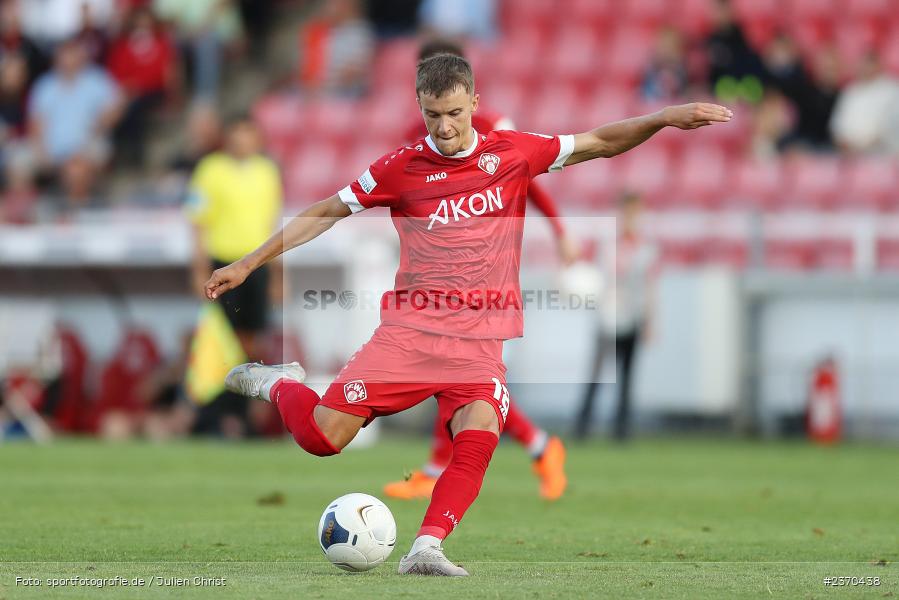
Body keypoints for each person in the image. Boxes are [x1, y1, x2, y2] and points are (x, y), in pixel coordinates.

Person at [207, 53, 731, 576]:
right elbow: (326, 210)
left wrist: (662, 118)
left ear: (475, 103)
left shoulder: (513, 153)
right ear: (421, 107)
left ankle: (426, 548)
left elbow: (598, 142)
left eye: (455, 112)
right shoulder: (400, 168)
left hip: (479, 341)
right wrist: (250, 262)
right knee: (323, 439)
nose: (446, 126)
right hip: (410, 334)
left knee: (480, 428)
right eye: (434, 115)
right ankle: (278, 384)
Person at [384, 38, 578, 502]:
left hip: (489, 262)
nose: (443, 117)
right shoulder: (421, 128)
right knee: (462, 372)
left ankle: (444, 464)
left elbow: (527, 174)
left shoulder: (493, 128)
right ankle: (540, 446)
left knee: (461, 370)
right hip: (444, 268)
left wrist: (559, 231)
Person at [186, 115, 282, 437]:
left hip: (257, 264)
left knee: (253, 339)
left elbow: (273, 226)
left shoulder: (267, 172)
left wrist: (279, 273)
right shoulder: (210, 170)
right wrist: (199, 268)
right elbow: (198, 222)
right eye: (237, 133)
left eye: (248, 134)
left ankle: (246, 414)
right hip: (224, 263)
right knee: (221, 338)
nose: (242, 141)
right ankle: (217, 414)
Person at [574, 192, 659, 441]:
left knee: (627, 375)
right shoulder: (609, 244)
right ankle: (583, 426)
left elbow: (650, 285)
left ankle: (621, 429)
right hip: (608, 314)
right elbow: (595, 276)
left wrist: (650, 320)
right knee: (596, 373)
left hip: (632, 314)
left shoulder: (645, 248)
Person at [830, 52, 899, 156]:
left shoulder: (892, 89)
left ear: (878, 65)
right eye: (862, 64)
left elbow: (891, 125)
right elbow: (837, 126)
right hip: (850, 157)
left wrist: (866, 147)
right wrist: (846, 145)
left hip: (882, 156)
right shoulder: (850, 91)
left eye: (869, 64)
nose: (865, 68)